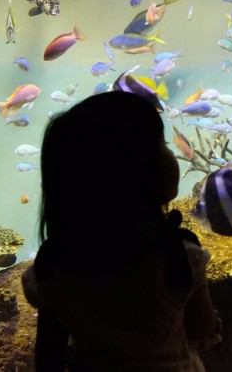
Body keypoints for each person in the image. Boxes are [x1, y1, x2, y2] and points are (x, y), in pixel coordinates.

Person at [21, 91, 217, 371]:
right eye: (161, 146)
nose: (172, 153)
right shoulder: (178, 256)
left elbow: (48, 354)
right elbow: (201, 328)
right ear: (137, 172)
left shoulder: (57, 264)